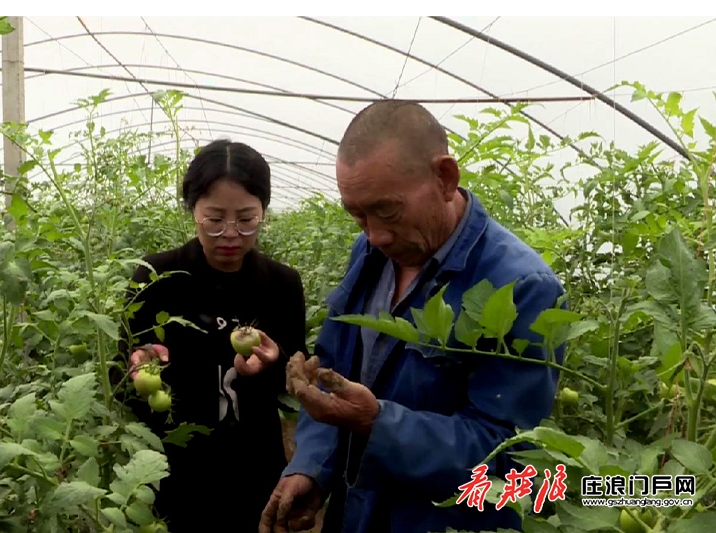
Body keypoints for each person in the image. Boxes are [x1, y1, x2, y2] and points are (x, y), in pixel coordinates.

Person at [259, 101, 567, 533]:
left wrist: (378, 423)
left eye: (387, 211)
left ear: (445, 178)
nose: (375, 233)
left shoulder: (522, 286)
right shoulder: (369, 254)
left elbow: (509, 454)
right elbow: (332, 374)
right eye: (357, 214)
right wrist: (311, 466)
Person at [114, 139, 307, 532]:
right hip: (171, 470)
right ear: (193, 212)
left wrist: (275, 364)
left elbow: (294, 381)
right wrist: (136, 369)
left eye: (247, 219)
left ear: (264, 212)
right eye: (214, 219)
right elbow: (117, 376)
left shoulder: (282, 284)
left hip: (255, 470)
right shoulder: (157, 278)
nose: (231, 234)